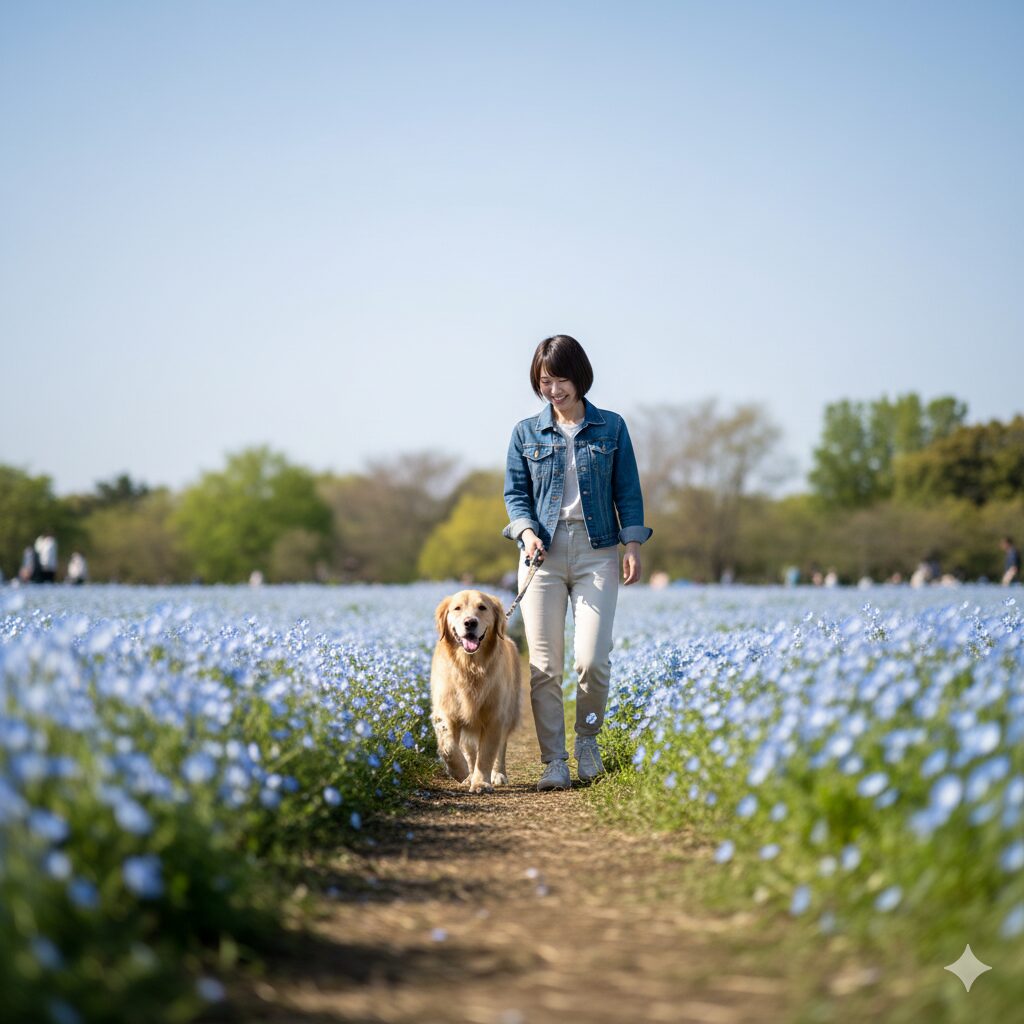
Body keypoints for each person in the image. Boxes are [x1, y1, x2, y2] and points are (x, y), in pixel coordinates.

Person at [503, 335, 653, 791]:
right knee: (544, 665)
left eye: (561, 380)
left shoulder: (611, 427)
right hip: (540, 555)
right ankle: (554, 761)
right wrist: (527, 533)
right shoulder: (525, 433)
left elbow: (627, 490)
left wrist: (632, 544)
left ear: (580, 377)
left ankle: (587, 741)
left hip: (598, 550)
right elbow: (516, 495)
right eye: (545, 382)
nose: (553, 390)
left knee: (592, 659)